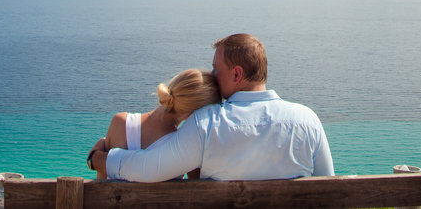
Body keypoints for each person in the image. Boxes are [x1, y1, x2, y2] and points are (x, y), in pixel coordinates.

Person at [88, 33, 334, 181]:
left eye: (217, 69)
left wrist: (98, 159)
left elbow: (149, 169)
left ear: (236, 74)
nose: (213, 75)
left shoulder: (207, 123)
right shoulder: (307, 120)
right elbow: (329, 185)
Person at [86, 68, 221, 179]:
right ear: (196, 112)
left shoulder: (120, 122)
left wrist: (94, 157)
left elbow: (101, 181)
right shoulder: (184, 145)